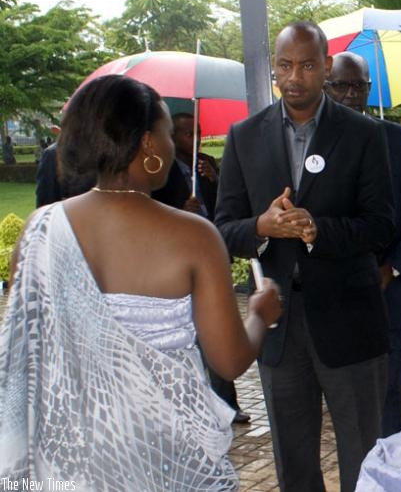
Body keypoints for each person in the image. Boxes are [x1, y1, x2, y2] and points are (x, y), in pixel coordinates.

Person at [0, 75, 281, 488]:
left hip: (71, 456)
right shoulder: (193, 236)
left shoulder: (39, 229)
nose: (171, 145)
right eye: (168, 132)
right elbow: (229, 360)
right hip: (164, 455)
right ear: (148, 144)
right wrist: (260, 314)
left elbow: (26, 346)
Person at [214, 21, 395, 492]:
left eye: (308, 65)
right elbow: (223, 228)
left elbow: (381, 224)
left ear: (327, 67)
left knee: (364, 456)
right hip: (280, 329)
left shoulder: (363, 135)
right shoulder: (244, 136)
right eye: (285, 65)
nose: (295, 77)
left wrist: (317, 229)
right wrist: (261, 227)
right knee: (293, 462)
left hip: (350, 323)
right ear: (274, 67)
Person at [324, 51, 401, 437]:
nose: (351, 94)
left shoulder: (397, 140)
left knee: (393, 403)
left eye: (359, 85)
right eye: (341, 85)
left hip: (390, 299)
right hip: (334, 300)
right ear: (327, 87)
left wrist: (393, 268)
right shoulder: (315, 144)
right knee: (349, 409)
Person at [152, 111, 251, 424]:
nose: (192, 139)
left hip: (213, 252)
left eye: (196, 132)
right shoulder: (159, 170)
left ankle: (228, 404)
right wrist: (181, 211)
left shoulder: (206, 161)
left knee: (215, 330)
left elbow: (229, 204)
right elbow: (151, 212)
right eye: (184, 133)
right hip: (178, 261)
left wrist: (214, 179)